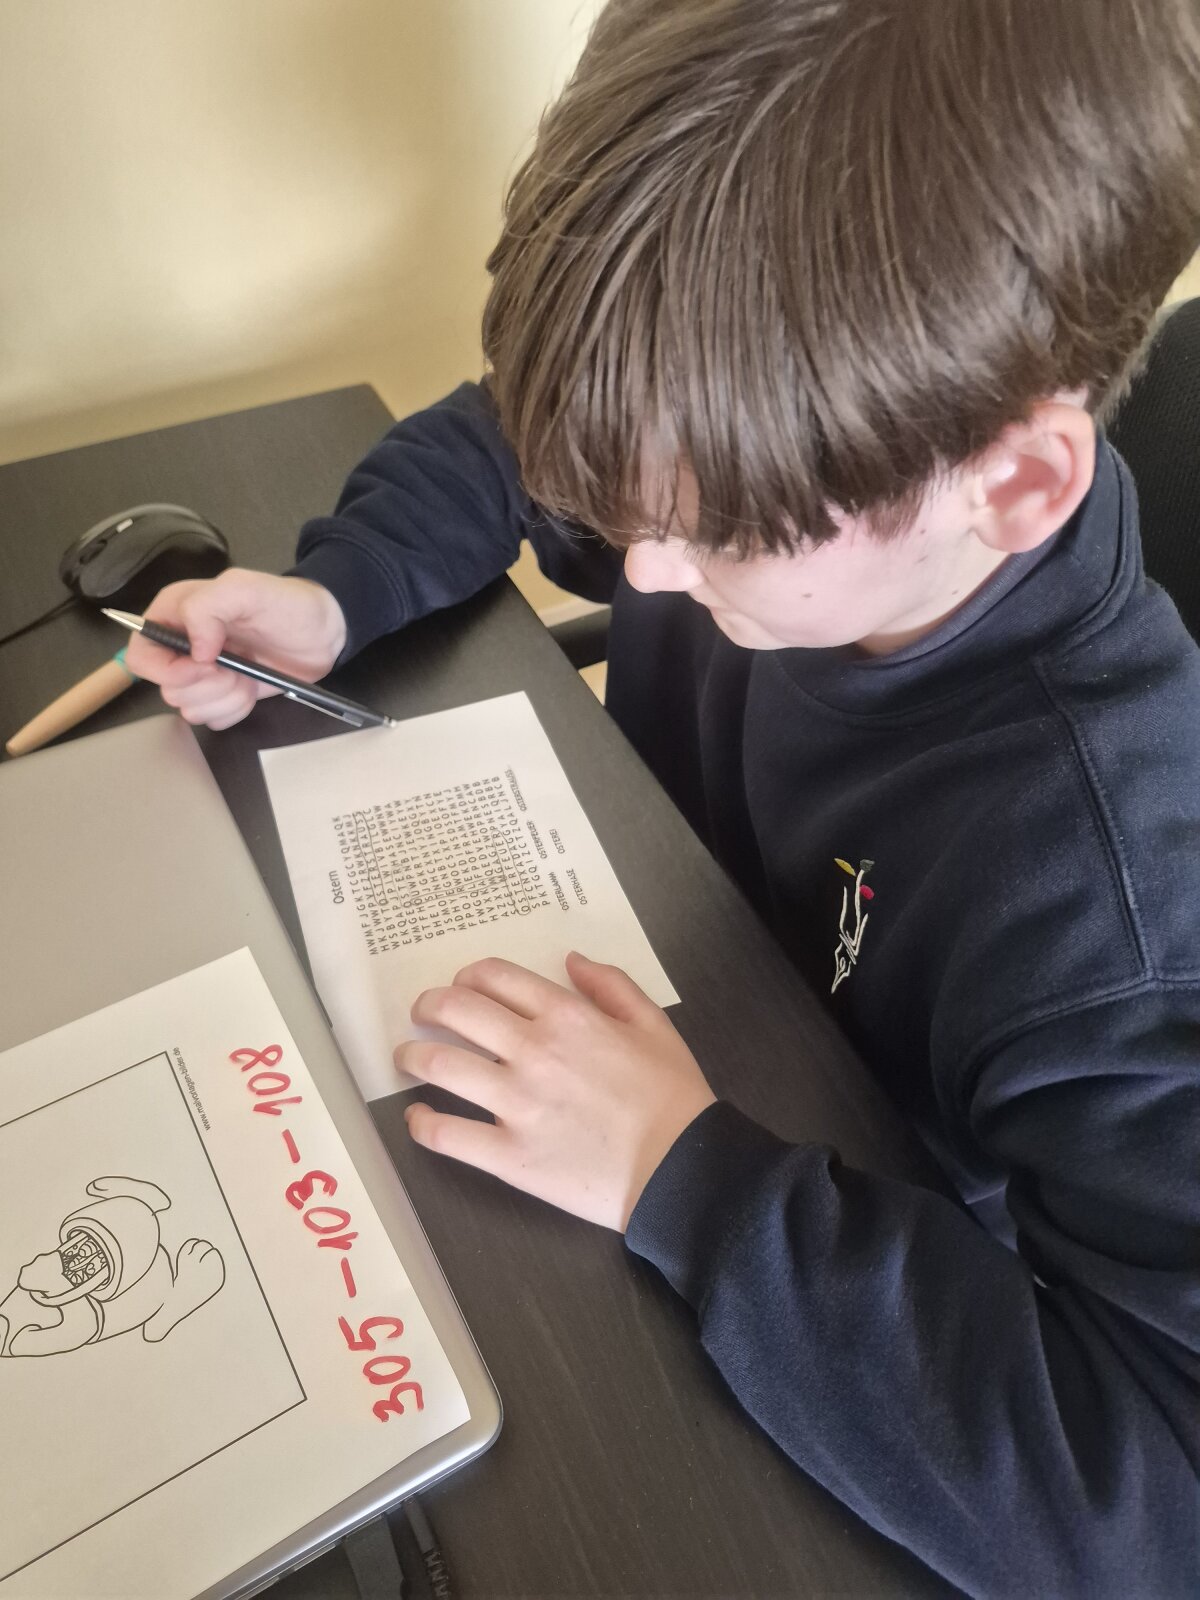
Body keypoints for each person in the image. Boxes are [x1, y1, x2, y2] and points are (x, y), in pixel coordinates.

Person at [127, 1, 1200, 1592]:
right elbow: (523, 440)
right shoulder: (770, 463)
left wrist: (686, 1173)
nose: (638, 570)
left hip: (825, 1264)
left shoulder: (1114, 917)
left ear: (1019, 482)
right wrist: (342, 592)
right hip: (678, 980)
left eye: (708, 534)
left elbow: (1154, 1503)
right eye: (631, 508)